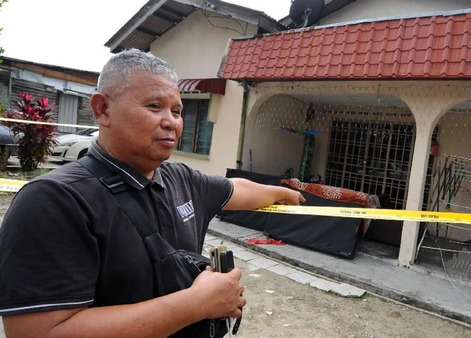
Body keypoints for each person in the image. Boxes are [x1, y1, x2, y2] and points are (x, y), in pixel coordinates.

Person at [0, 49, 305, 337]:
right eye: (154, 106)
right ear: (103, 109)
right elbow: (37, 332)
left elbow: (236, 189)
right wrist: (197, 304)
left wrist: (279, 193)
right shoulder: (54, 200)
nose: (171, 122)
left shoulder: (181, 179)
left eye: (177, 110)